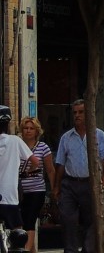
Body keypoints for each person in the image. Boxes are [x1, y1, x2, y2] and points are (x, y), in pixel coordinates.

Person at [54, 99, 104, 253]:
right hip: (70, 183)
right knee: (67, 217)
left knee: (91, 219)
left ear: (89, 114)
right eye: (75, 113)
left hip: (90, 183)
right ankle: (70, 249)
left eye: (81, 112)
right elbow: (60, 163)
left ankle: (88, 249)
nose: (77, 115)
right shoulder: (66, 137)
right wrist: (57, 187)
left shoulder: (99, 135)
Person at [18, 115, 55, 253]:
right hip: (21, 191)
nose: (28, 131)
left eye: (31, 128)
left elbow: (50, 170)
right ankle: (32, 250)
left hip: (37, 190)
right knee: (22, 221)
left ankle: (26, 249)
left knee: (30, 219)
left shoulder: (43, 147)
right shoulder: (18, 146)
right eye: (25, 128)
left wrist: (54, 190)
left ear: (36, 131)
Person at [0, 106, 36, 240]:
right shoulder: (15, 141)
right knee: (18, 232)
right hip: (10, 196)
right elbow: (35, 161)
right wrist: (24, 173)